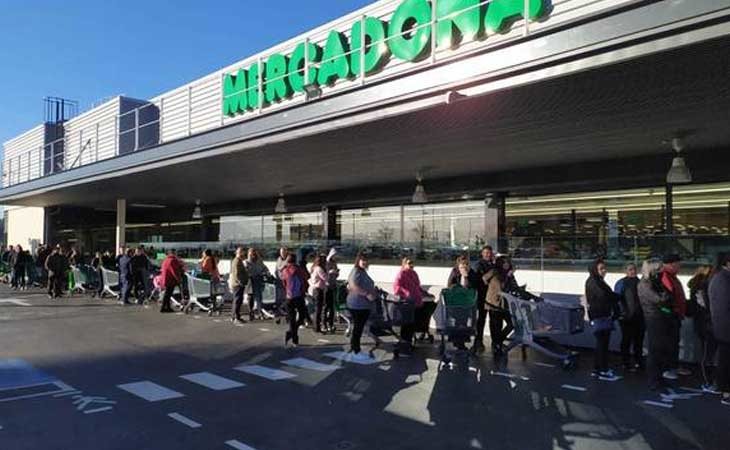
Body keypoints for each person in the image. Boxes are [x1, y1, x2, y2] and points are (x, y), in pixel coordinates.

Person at [638, 259, 675, 392]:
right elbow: (660, 299)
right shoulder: (644, 284)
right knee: (654, 350)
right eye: (658, 269)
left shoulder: (654, 282)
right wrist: (665, 296)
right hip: (653, 318)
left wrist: (666, 296)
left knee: (661, 350)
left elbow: (667, 296)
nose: (661, 272)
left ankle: (659, 377)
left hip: (660, 317)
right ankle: (653, 380)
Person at [585, 258, 621, 379]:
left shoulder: (596, 281)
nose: (604, 271)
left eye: (605, 268)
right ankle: (603, 369)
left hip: (599, 316)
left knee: (601, 343)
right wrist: (617, 297)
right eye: (601, 269)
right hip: (600, 316)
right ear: (595, 270)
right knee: (602, 344)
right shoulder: (595, 282)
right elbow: (605, 296)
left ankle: (597, 368)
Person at [660, 254, 690, 379]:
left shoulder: (672, 276)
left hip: (675, 314)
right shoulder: (665, 276)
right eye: (678, 264)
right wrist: (674, 311)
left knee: (674, 342)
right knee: (669, 342)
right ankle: (667, 368)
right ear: (672, 264)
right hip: (670, 316)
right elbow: (667, 298)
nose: (680, 267)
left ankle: (673, 366)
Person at [688, 264, 716, 391]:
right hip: (707, 324)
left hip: (701, 324)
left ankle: (708, 380)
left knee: (706, 352)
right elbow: (706, 307)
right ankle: (709, 381)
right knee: (708, 353)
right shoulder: (704, 287)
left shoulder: (696, 287)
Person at [614, 263, 645, 372]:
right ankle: (625, 362)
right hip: (626, 317)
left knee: (639, 341)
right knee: (626, 340)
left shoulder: (641, 282)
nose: (633, 271)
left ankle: (638, 361)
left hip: (640, 317)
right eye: (630, 269)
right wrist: (621, 314)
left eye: (634, 269)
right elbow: (616, 299)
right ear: (625, 271)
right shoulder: (621, 283)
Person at [708, 252, 730, 406]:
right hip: (726, 327)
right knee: (726, 360)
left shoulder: (719, 277)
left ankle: (720, 387)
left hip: (722, 326)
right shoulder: (724, 280)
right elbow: (724, 307)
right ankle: (726, 392)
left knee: (724, 358)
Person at [484, 256, 516, 357]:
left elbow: (514, 286)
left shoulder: (509, 274)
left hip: (505, 304)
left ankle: (498, 341)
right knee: (496, 326)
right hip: (494, 303)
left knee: (511, 323)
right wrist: (508, 276)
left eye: (508, 262)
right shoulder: (495, 272)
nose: (506, 264)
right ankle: (496, 344)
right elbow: (499, 286)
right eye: (504, 262)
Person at [347, 253, 377, 356]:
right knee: (358, 326)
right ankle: (355, 348)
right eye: (362, 260)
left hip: (364, 304)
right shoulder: (356, 271)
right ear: (358, 261)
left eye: (366, 260)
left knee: (359, 326)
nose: (365, 262)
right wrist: (367, 293)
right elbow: (353, 285)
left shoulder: (362, 271)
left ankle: (355, 345)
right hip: (357, 304)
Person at [393, 257, 426, 352]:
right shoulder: (401, 274)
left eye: (412, 263)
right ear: (404, 264)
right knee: (407, 323)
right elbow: (397, 287)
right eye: (409, 263)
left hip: (416, 301)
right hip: (406, 303)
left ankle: (409, 342)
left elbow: (417, 286)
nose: (411, 265)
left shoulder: (414, 273)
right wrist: (406, 293)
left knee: (413, 322)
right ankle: (405, 343)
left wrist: (423, 293)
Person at [281, 254, 309, 347]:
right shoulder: (299, 270)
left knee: (292, 319)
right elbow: (306, 279)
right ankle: (292, 334)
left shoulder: (284, 271)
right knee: (302, 316)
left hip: (289, 297)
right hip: (299, 296)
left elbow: (284, 283)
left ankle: (293, 338)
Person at [474, 246, 496, 353]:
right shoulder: (479, 265)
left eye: (489, 253)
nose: (488, 255)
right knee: (481, 320)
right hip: (483, 296)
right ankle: (478, 341)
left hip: (493, 297)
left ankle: (495, 341)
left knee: (494, 320)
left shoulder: (494, 264)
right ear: (482, 254)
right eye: (486, 253)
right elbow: (482, 280)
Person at [244, 247, 270, 320]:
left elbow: (265, 268)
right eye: (251, 254)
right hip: (250, 281)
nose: (253, 255)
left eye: (254, 253)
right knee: (250, 298)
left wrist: (267, 273)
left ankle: (259, 312)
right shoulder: (246, 262)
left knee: (259, 298)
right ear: (249, 254)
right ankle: (250, 313)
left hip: (258, 280)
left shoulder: (259, 261)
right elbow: (245, 271)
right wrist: (247, 272)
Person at [229, 247, 250, 324]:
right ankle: (235, 317)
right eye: (242, 252)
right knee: (237, 300)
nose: (243, 254)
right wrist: (241, 282)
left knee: (238, 300)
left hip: (238, 283)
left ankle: (235, 316)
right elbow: (236, 274)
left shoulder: (238, 261)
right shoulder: (237, 261)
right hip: (238, 284)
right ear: (239, 253)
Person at [309, 254, 328, 333]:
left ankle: (316, 326)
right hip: (318, 289)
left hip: (315, 289)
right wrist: (328, 272)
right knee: (318, 309)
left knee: (317, 309)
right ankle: (316, 327)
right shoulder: (319, 269)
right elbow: (325, 278)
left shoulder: (314, 268)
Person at [324, 248, 340, 333]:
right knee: (326, 306)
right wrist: (331, 272)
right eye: (334, 256)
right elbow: (324, 274)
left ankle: (331, 324)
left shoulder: (334, 263)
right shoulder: (326, 263)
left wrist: (336, 273)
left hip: (333, 285)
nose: (335, 257)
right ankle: (324, 324)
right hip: (327, 286)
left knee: (332, 307)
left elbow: (336, 275)